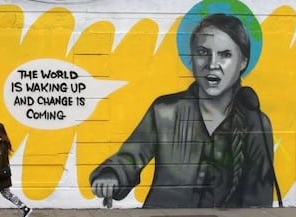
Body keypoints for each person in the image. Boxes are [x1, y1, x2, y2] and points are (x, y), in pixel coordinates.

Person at [90, 13, 279, 208]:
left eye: (225, 55)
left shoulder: (256, 123)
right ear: (191, 57)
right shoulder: (165, 111)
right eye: (203, 52)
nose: (212, 65)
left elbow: (258, 199)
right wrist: (111, 175)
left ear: (243, 62)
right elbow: (130, 157)